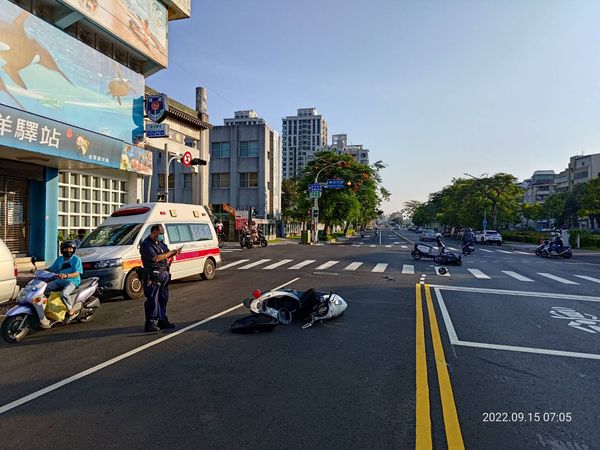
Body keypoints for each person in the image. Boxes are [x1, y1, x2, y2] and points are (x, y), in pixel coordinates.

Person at [139, 224, 182, 332]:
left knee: (163, 298)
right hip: (152, 276)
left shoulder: (160, 244)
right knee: (153, 299)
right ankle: (151, 322)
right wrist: (171, 253)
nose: (161, 236)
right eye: (160, 234)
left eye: (162, 234)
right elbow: (156, 258)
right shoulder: (146, 244)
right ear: (153, 233)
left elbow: (166, 253)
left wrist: (174, 253)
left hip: (163, 274)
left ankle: (162, 319)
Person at [45, 240, 83, 318]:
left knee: (64, 294)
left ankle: (71, 310)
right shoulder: (59, 259)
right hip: (59, 280)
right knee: (44, 288)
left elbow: (77, 273)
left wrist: (66, 275)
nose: (68, 251)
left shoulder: (76, 259)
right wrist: (39, 271)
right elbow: (52, 269)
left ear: (74, 250)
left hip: (72, 281)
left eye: (70, 249)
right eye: (66, 249)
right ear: (62, 250)